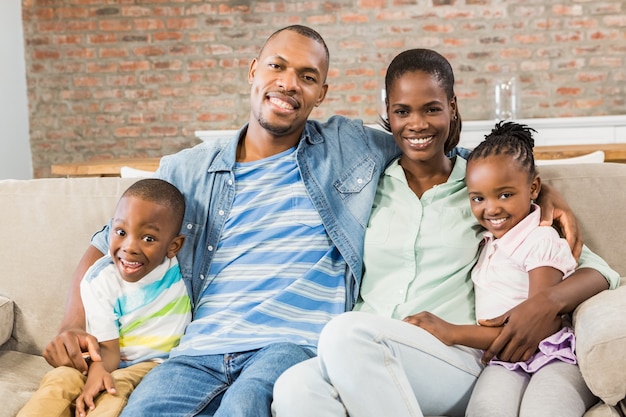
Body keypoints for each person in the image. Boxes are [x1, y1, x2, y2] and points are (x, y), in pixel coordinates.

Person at [43, 28, 587, 416]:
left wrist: (540, 193)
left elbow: (445, 149)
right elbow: (107, 242)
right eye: (277, 66)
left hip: (297, 338)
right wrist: (73, 322)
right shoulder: (185, 169)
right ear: (253, 71)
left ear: (322, 93)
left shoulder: (346, 146)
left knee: (247, 406)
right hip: (203, 343)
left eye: (307, 76)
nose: (289, 83)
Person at [271, 49, 620, 417]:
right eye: (402, 111)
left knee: (344, 334)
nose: (417, 124)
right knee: (294, 388)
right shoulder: (367, 186)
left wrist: (543, 303)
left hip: (452, 356)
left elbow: (597, 270)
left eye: (432, 109)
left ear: (452, 107)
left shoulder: (482, 190)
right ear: (388, 112)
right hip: (362, 350)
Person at [408, 121, 618, 416]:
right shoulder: (486, 243)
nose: (491, 208)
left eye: (505, 194)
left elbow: (538, 328)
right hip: (503, 360)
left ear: (533, 188)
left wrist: (452, 332)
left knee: (544, 409)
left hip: (551, 356)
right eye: (478, 198)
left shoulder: (540, 239)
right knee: (485, 409)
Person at [18, 178, 191, 417]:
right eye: (121, 232)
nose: (129, 247)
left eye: (148, 238)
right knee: (59, 380)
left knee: (114, 389)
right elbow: (108, 349)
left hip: (153, 365)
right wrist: (97, 371)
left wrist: (102, 377)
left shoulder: (181, 267)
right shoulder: (100, 281)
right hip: (106, 355)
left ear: (173, 246)